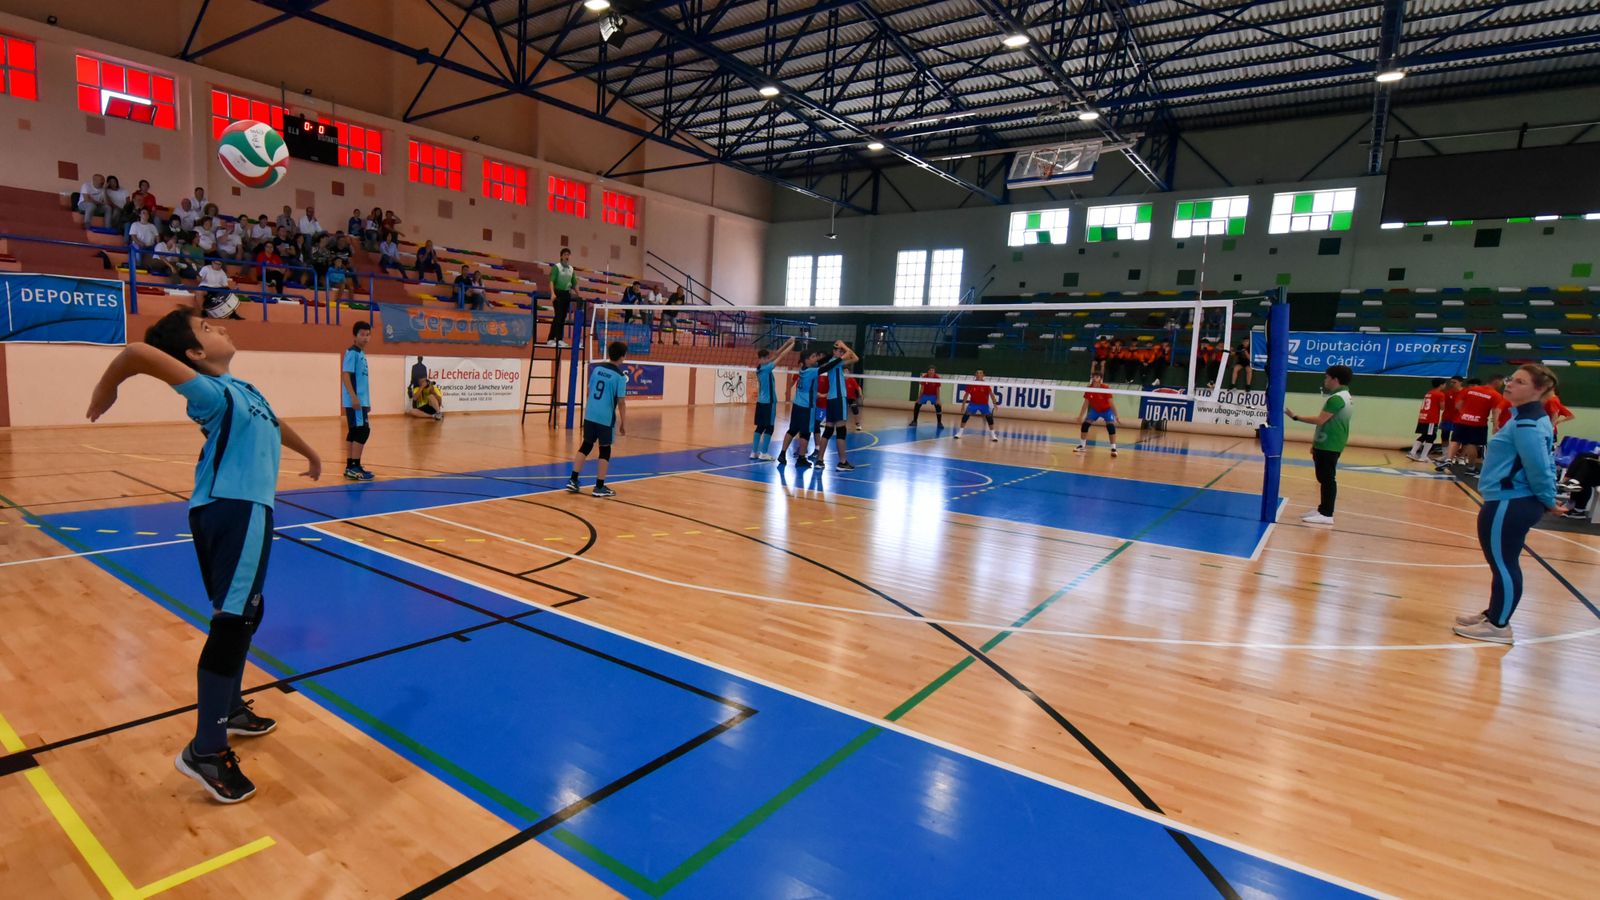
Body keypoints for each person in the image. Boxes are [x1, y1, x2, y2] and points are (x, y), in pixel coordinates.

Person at [85, 308, 322, 803]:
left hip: (246, 509)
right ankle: (207, 750)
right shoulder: (210, 393)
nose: (220, 326)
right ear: (194, 353)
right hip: (232, 508)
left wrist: (310, 452)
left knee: (249, 611)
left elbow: (273, 422)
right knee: (233, 623)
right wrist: (107, 388)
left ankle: (229, 709)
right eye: (207, 329)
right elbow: (136, 352)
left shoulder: (243, 389)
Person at [1453, 365, 1566, 644]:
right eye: (1510, 379)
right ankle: (1494, 614)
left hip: (1510, 501)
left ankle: (1498, 626)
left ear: (1539, 389)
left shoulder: (1528, 424)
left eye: (1520, 381)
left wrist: (1548, 499)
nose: (1510, 384)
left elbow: (1539, 466)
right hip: (1510, 499)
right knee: (1502, 563)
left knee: (1504, 564)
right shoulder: (1527, 418)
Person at [1287, 364, 1354, 526]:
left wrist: (1295, 417)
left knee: (1328, 479)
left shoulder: (1337, 399)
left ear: (1335, 379)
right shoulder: (1345, 396)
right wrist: (1315, 443)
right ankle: (1322, 509)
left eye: (1327, 377)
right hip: (1328, 443)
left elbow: (1320, 420)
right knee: (1324, 478)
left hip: (1330, 444)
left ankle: (1327, 514)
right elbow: (1326, 424)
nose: (1325, 380)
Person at [566, 341, 629, 497]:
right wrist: (623, 423)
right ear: (622, 357)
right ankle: (599, 487)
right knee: (605, 450)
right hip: (605, 417)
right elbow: (621, 402)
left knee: (586, 445)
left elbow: (589, 392)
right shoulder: (620, 377)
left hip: (590, 414)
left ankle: (573, 480)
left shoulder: (597, 369)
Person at [1438, 376, 1507, 474]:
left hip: (1462, 420)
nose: (1502, 385)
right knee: (1472, 444)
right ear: (1497, 382)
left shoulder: (1469, 390)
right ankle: (1471, 468)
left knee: (1455, 441)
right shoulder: (1496, 395)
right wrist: (1496, 425)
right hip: (1478, 423)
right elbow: (1496, 411)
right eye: (1502, 383)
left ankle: (1448, 460)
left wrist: (1466, 413)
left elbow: (1458, 405)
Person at [814, 341, 860, 471]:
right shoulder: (836, 361)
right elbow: (855, 357)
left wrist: (841, 348)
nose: (842, 353)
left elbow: (853, 358)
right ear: (834, 352)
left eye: (841, 351)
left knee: (828, 431)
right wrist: (843, 345)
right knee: (841, 431)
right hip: (839, 399)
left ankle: (819, 461)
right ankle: (842, 462)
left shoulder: (834, 363)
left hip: (831, 399)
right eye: (839, 350)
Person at [777, 349, 824, 469]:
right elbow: (827, 367)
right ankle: (801, 458)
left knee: (792, 430)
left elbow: (820, 363)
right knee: (805, 433)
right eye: (813, 356)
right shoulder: (812, 371)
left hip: (797, 405)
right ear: (807, 360)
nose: (816, 358)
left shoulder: (802, 369)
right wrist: (840, 359)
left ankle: (782, 453)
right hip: (807, 407)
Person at [751, 337, 796, 461]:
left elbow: (775, 354)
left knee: (760, 427)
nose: (768, 359)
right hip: (769, 403)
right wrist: (792, 346)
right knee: (770, 427)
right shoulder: (767, 368)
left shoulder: (759, 367)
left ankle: (754, 452)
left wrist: (787, 342)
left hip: (760, 402)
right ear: (761, 359)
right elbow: (780, 356)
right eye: (766, 358)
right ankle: (764, 453)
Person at [341, 321, 375, 481]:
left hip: (362, 401)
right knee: (363, 431)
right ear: (355, 336)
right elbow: (346, 375)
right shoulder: (352, 352)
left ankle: (351, 466)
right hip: (355, 401)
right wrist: (353, 397)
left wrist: (367, 403)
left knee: (355, 431)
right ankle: (354, 466)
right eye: (362, 334)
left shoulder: (361, 353)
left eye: (368, 334)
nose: (365, 337)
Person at [1075, 375, 1120, 457]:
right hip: (1095, 410)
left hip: (1106, 410)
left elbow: (1111, 403)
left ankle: (1113, 449)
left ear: (1100, 379)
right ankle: (1082, 446)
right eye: (1093, 377)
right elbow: (1085, 403)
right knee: (1085, 425)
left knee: (1110, 427)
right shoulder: (1089, 388)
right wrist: (1080, 416)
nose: (1094, 378)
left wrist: (1116, 415)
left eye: (1097, 377)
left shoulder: (1105, 388)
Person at [1408, 379, 1447, 462]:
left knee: (1425, 435)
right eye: (1444, 384)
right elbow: (1442, 407)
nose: (1445, 386)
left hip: (1423, 417)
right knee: (1431, 436)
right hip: (1431, 418)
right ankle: (1423, 456)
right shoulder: (1440, 394)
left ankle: (1413, 452)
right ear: (1441, 384)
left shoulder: (1429, 393)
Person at [953, 370, 999, 441]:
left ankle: (993, 435)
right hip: (973, 404)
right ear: (975, 375)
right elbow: (966, 395)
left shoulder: (986, 384)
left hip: (984, 405)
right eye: (977, 373)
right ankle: (960, 433)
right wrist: (963, 405)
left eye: (980, 373)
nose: (978, 374)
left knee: (989, 418)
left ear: (983, 375)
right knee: (965, 416)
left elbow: (991, 395)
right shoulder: (971, 384)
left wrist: (995, 404)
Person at [548, 247, 577, 348]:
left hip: (566, 294)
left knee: (563, 317)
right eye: (565, 254)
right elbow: (552, 281)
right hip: (558, 293)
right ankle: (552, 339)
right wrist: (552, 293)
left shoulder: (571, 269)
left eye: (568, 255)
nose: (567, 256)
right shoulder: (557, 267)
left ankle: (558, 339)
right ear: (561, 256)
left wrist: (579, 294)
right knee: (558, 316)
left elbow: (574, 283)